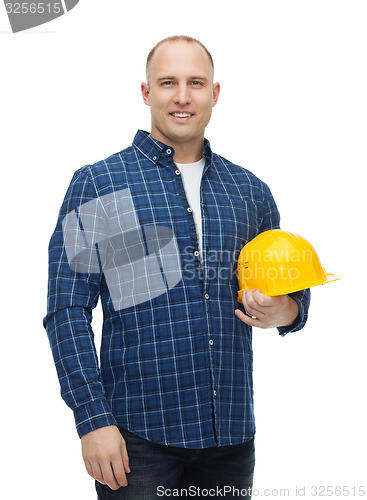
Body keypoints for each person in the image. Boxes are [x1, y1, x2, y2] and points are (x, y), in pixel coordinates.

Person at [44, 36, 310, 499]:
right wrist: (92, 420)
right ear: (147, 93)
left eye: (196, 83)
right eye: (168, 82)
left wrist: (283, 311)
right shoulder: (99, 183)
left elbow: (293, 298)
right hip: (135, 440)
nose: (182, 96)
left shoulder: (249, 191)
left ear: (215, 93)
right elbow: (66, 311)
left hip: (230, 437)